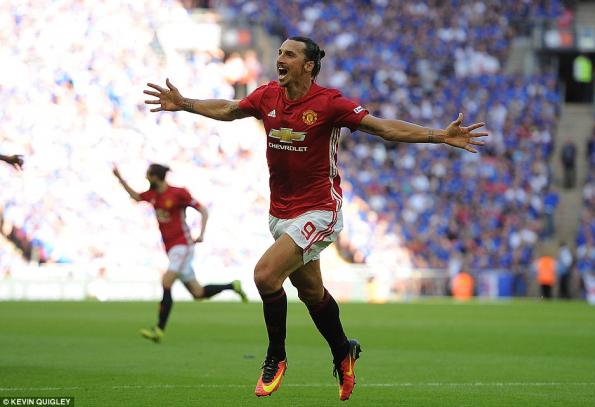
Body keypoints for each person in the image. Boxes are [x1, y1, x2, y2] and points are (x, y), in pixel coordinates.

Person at [143, 37, 487, 400]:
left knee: (264, 276)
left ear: (308, 65)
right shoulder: (266, 96)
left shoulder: (329, 103)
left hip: (321, 210)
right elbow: (230, 109)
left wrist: (438, 136)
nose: (280, 58)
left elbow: (383, 128)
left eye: (289, 54)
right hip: (280, 213)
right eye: (279, 53)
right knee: (310, 293)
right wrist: (185, 104)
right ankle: (343, 351)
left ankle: (276, 357)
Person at [113, 163, 248, 343]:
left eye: (148, 175)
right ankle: (233, 286)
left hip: (182, 245)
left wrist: (201, 234)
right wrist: (120, 179)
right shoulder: (152, 194)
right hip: (171, 248)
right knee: (198, 293)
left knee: (166, 280)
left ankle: (159, 329)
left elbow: (203, 210)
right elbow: (136, 197)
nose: (146, 178)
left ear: (156, 177)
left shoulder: (178, 193)